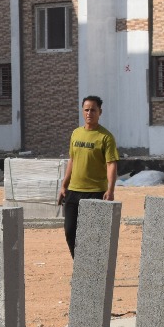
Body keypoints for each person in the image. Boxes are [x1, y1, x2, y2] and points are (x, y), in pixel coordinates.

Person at [57, 95, 119, 257]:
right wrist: (64, 185)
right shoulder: (76, 134)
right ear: (82, 111)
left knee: (93, 235)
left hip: (96, 192)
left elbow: (111, 164)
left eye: (93, 110)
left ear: (100, 112)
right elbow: (72, 160)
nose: (89, 113)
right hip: (73, 191)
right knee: (70, 231)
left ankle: (92, 272)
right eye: (86, 110)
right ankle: (80, 266)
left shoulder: (105, 137)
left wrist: (110, 190)